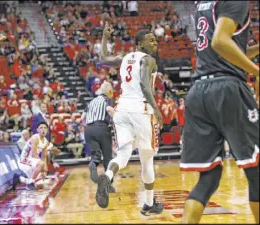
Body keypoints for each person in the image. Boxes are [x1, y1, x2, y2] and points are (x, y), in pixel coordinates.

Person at [180, 1, 259, 223]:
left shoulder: (206, 4)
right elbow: (220, 42)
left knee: (209, 177)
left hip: (199, 92)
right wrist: (256, 71)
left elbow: (228, 48)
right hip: (227, 89)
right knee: (257, 171)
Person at [94, 22, 164, 216]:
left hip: (122, 109)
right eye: (150, 40)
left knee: (123, 155)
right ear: (140, 44)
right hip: (141, 110)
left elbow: (102, 59)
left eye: (155, 39)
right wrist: (156, 109)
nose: (154, 42)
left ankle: (107, 177)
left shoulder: (125, 58)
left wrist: (105, 37)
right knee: (147, 159)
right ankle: (149, 204)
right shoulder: (148, 59)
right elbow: (143, 83)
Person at [82, 81, 116, 192]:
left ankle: (93, 163)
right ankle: (108, 185)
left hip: (88, 129)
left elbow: (82, 117)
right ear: (110, 92)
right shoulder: (108, 100)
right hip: (101, 127)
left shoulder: (91, 101)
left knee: (96, 155)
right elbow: (110, 110)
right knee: (107, 157)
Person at [12, 122, 53, 190]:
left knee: (40, 185)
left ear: (47, 130)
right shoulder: (35, 138)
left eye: (45, 128)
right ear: (37, 130)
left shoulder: (46, 142)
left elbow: (44, 156)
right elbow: (34, 154)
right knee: (41, 163)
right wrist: (41, 168)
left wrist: (45, 171)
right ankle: (31, 182)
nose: (43, 130)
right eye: (41, 128)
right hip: (24, 160)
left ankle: (19, 179)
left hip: (33, 162)